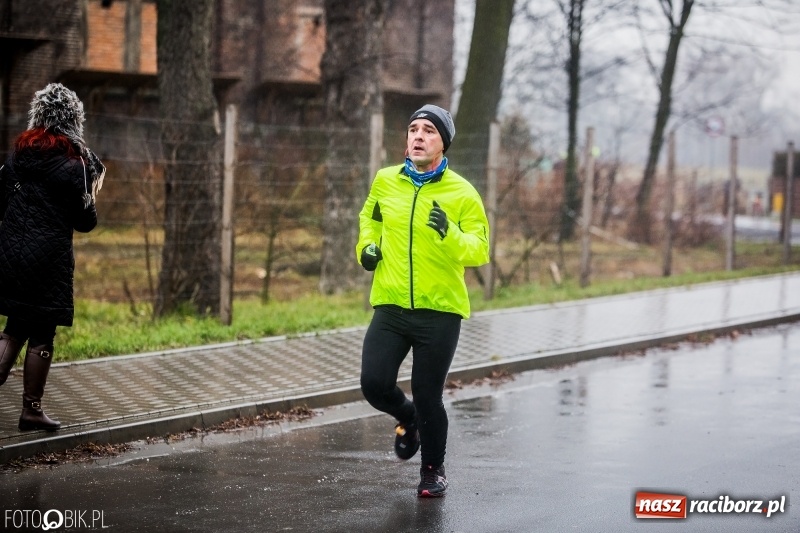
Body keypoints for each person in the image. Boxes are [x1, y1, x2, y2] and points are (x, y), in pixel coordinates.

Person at [356, 104, 490, 497]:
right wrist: (366, 247)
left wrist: (449, 233)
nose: (417, 136)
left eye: (428, 131)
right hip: (392, 304)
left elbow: (479, 250)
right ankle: (407, 417)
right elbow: (371, 219)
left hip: (440, 311)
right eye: (413, 129)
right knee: (374, 383)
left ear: (442, 143)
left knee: (428, 394)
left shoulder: (462, 192)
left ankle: (432, 470)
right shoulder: (385, 181)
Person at [0, 83, 104, 431]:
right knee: (42, 331)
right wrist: (91, 185)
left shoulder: (18, 154)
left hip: (12, 254)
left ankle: (32, 411)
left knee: (15, 325)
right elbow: (85, 222)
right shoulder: (75, 164)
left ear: (39, 115)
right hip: (47, 262)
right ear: (74, 119)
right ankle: (31, 410)